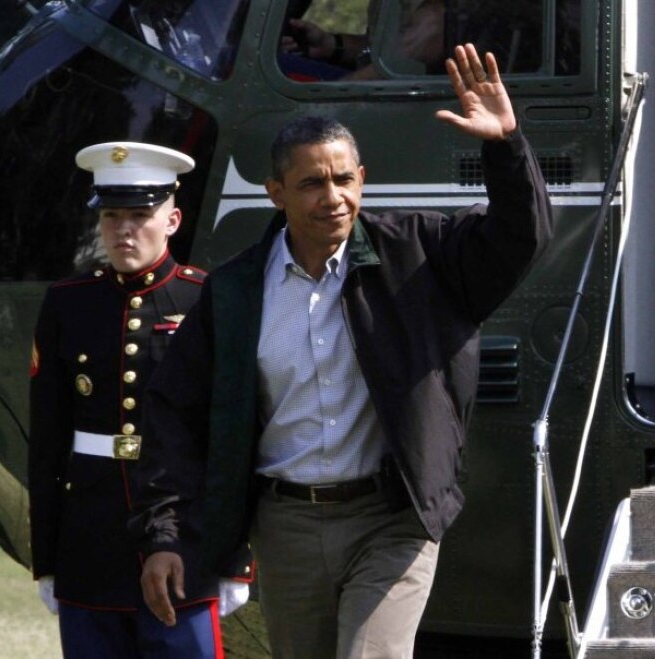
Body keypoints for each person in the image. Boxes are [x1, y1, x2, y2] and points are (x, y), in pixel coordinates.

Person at [131, 42, 552, 658]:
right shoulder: (235, 291)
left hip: (394, 520)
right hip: (287, 526)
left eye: (343, 179)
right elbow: (173, 416)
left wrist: (506, 145)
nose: (332, 198)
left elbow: (522, 237)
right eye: (310, 184)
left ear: (362, 180)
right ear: (276, 192)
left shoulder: (421, 253)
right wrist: (163, 534)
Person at [28, 142, 252, 658]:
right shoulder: (68, 302)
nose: (123, 230)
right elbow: (47, 440)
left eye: (139, 215)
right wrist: (47, 558)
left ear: (172, 219)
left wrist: (234, 558)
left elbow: (232, 437)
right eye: (111, 216)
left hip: (183, 538)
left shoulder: (206, 300)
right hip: (90, 537)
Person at [279, 0, 445, 80]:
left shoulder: (431, 13)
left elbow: (401, 64)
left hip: (398, 102)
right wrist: (331, 45)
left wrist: (335, 91)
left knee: (282, 67)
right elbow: (383, 48)